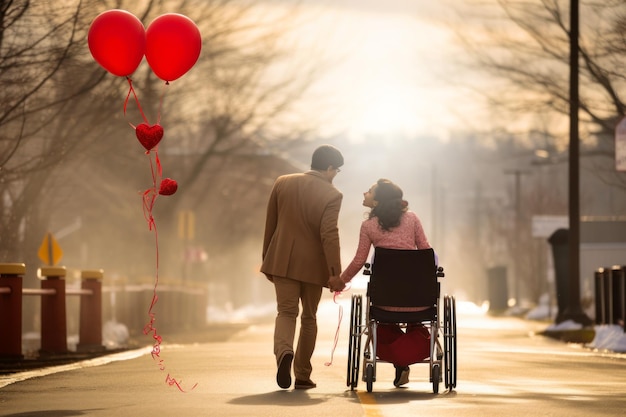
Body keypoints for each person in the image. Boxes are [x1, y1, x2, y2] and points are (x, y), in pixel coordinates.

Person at [261, 144, 346, 390]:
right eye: (336, 171)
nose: (335, 176)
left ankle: (284, 353)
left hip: (282, 260)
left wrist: (268, 257)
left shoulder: (283, 182)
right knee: (309, 317)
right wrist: (334, 273)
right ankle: (302, 374)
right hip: (313, 266)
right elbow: (329, 234)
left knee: (286, 312)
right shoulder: (332, 195)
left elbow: (271, 222)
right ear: (329, 168)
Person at [340, 178, 432, 388]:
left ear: (378, 200)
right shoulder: (412, 219)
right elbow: (425, 250)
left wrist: (341, 281)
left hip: (384, 303)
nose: (365, 193)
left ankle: (398, 359)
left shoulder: (368, 226)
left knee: (380, 323)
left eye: (370, 191)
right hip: (418, 300)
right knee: (415, 320)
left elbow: (359, 261)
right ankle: (405, 358)